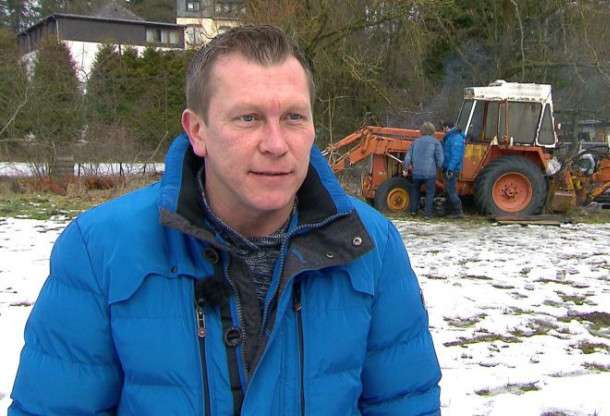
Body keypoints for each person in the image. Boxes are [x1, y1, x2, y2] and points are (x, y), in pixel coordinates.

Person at [10, 25, 441, 416]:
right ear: (197, 131)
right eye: (248, 118)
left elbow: (406, 405)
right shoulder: (98, 250)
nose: (276, 144)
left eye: (293, 117)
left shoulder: (373, 246)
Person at [403, 122, 444, 219]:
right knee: (430, 193)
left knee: (415, 191)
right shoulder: (436, 142)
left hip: (416, 172)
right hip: (429, 173)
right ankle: (427, 214)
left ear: (422, 130)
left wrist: (405, 168)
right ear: (433, 131)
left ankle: (413, 211)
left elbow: (408, 157)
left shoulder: (415, 142)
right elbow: (440, 158)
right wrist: (439, 167)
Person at [441, 120, 465, 219]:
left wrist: (450, 169)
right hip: (448, 168)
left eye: (443, 128)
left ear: (447, 127)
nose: (442, 130)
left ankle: (458, 211)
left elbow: (456, 156)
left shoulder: (455, 138)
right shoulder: (450, 137)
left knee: (451, 190)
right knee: (448, 189)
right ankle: (450, 210)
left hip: (451, 169)